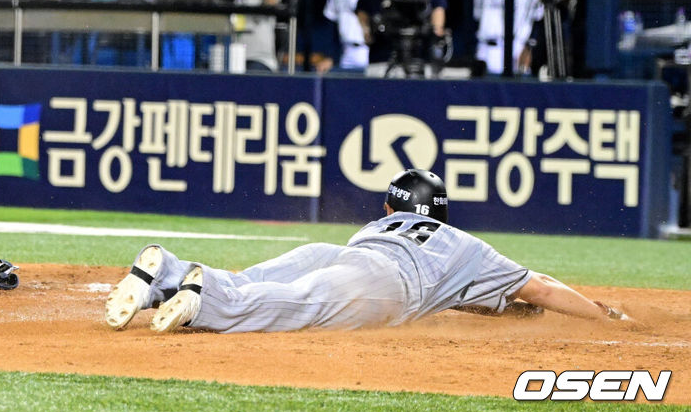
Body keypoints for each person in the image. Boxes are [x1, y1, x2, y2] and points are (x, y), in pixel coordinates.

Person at [105, 169, 632, 334]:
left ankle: (169, 274)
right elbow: (538, 286)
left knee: (260, 279)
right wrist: (600, 314)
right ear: (441, 212)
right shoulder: (463, 245)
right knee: (295, 306)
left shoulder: (379, 225)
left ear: (391, 207)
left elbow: (462, 299)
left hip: (338, 253)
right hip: (385, 283)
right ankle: (206, 301)